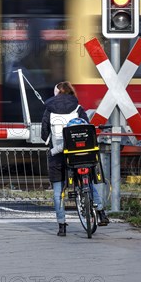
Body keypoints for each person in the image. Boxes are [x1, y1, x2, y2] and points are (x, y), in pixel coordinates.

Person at [41, 81, 109, 236]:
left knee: (58, 191)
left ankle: (62, 226)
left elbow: (44, 134)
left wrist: (52, 142)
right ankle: (100, 212)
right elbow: (86, 127)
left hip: (58, 155)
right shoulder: (78, 108)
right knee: (88, 182)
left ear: (57, 93)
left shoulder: (49, 110)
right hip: (78, 154)